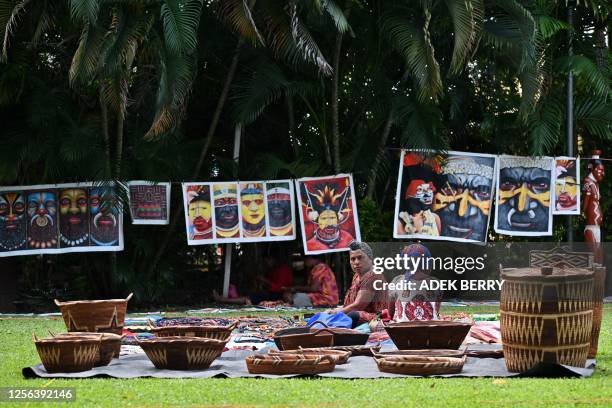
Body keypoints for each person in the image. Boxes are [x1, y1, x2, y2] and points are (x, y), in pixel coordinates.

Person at [328, 241, 388, 328]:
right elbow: (351, 304)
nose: (356, 262)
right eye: (353, 259)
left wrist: (337, 312)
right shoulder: (357, 275)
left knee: (352, 315)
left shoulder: (373, 275)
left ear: (370, 258)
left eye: (360, 258)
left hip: (379, 318)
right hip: (361, 315)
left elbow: (359, 305)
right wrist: (336, 310)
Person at [389, 244, 442, 322]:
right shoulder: (436, 283)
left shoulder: (397, 281)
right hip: (431, 330)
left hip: (402, 330)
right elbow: (436, 310)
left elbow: (390, 313)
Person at [213, 254, 293, 305]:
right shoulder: (273, 270)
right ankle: (224, 299)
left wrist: (265, 281)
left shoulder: (283, 270)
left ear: (273, 259)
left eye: (268, 260)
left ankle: (222, 300)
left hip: (279, 295)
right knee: (250, 295)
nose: (267, 263)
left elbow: (281, 288)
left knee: (247, 298)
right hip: (273, 293)